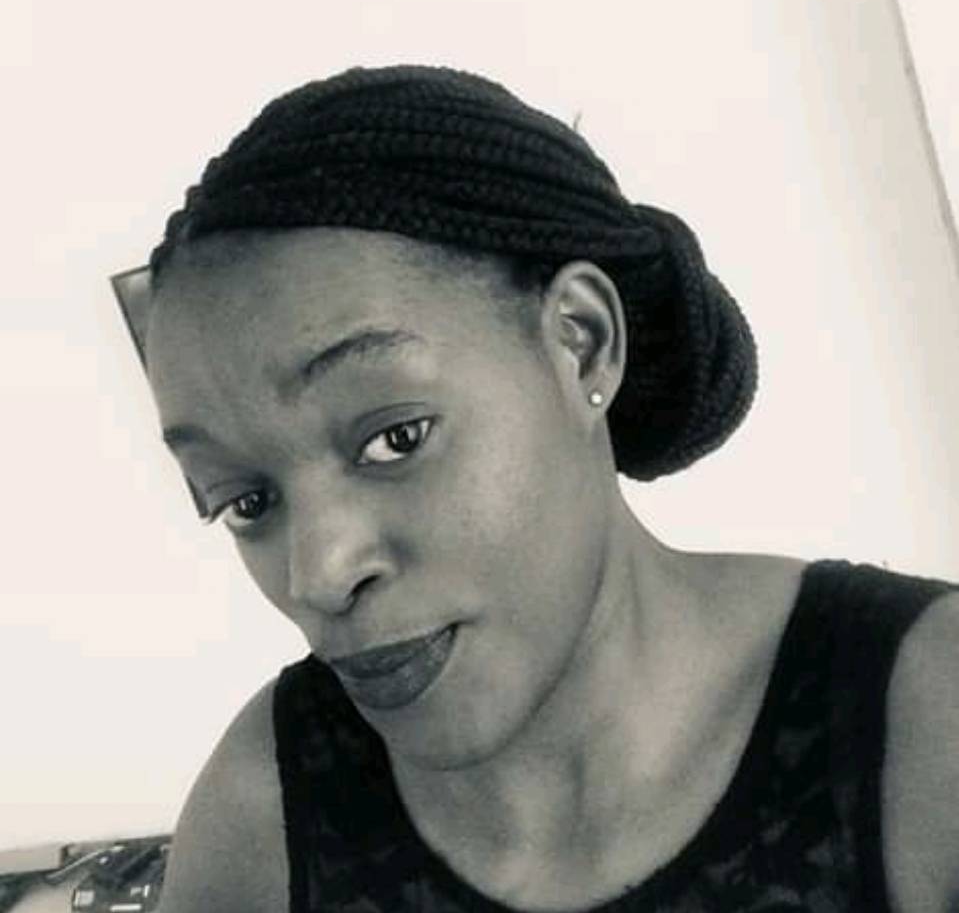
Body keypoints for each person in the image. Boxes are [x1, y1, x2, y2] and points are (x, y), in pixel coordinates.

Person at [114, 66, 958, 913]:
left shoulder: (927, 717)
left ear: (581, 343)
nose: (320, 573)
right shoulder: (264, 819)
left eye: (394, 437)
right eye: (246, 501)